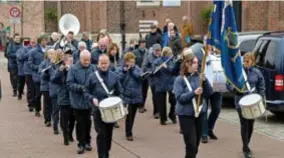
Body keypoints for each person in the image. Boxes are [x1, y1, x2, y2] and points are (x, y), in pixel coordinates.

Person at [173, 52, 212, 158]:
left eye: (197, 63)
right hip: (185, 114)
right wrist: (193, 93)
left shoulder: (200, 77)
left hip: (200, 113)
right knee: (191, 143)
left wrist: (205, 82)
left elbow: (208, 93)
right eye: (194, 63)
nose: (196, 65)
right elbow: (180, 98)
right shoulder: (179, 80)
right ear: (187, 64)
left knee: (196, 144)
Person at [226, 52, 265, 158]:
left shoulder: (257, 72)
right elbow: (228, 84)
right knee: (244, 124)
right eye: (244, 61)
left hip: (252, 102)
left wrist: (261, 98)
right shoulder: (238, 72)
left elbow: (261, 85)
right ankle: (246, 147)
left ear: (253, 61)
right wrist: (236, 90)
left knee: (251, 124)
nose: (245, 63)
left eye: (247, 61)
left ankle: (246, 143)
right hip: (241, 102)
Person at [85, 54, 123, 158]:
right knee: (101, 134)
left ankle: (106, 152)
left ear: (109, 64)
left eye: (105, 63)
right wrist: (92, 98)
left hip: (111, 110)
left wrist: (119, 101)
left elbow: (120, 92)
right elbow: (86, 91)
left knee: (109, 134)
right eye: (102, 63)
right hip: (98, 110)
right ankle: (102, 155)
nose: (104, 65)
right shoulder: (92, 77)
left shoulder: (114, 76)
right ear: (98, 64)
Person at [66, 49, 94, 154]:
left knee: (88, 122)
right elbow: (69, 84)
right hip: (77, 101)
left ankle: (87, 141)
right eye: (85, 60)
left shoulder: (93, 68)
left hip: (88, 101)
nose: (87, 62)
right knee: (79, 123)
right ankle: (80, 143)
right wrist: (81, 88)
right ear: (80, 59)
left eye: (88, 60)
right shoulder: (73, 69)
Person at [115, 52, 142, 141]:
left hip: (135, 95)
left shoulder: (137, 68)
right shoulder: (121, 69)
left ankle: (129, 131)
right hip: (126, 95)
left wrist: (132, 70)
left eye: (133, 62)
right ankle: (128, 132)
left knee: (132, 115)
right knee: (128, 114)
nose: (132, 64)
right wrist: (124, 71)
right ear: (126, 62)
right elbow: (118, 79)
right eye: (130, 62)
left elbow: (140, 77)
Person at [50, 50, 75, 146]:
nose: (69, 59)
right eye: (67, 58)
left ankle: (70, 133)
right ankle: (65, 137)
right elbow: (53, 79)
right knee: (64, 118)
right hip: (63, 96)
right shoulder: (59, 67)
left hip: (73, 97)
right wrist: (60, 70)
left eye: (70, 57)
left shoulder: (75, 67)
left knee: (72, 118)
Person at [152, 47, 176, 125]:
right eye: (169, 54)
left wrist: (167, 67)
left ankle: (172, 115)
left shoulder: (172, 61)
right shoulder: (157, 61)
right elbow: (153, 72)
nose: (171, 55)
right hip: (161, 83)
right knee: (162, 103)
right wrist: (157, 69)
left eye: (171, 54)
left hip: (171, 83)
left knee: (174, 101)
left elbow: (173, 71)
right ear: (165, 54)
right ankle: (163, 119)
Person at [28, 35, 48, 117]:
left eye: (46, 40)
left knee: (47, 96)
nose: (45, 42)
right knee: (38, 94)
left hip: (47, 76)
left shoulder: (49, 50)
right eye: (43, 41)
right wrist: (38, 67)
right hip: (37, 76)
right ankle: (37, 109)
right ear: (40, 42)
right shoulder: (33, 51)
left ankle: (47, 113)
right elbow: (30, 63)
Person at [142, 44, 162, 119]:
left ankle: (161, 111)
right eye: (156, 51)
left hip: (161, 78)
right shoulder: (148, 57)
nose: (157, 52)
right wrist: (151, 71)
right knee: (155, 95)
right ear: (153, 50)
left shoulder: (162, 56)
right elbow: (144, 67)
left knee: (161, 96)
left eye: (159, 50)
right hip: (152, 79)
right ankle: (156, 112)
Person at [18, 37, 37, 112]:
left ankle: (35, 103)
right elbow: (21, 57)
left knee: (36, 89)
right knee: (30, 88)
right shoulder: (25, 49)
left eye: (34, 43)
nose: (33, 44)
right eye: (32, 43)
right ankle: (30, 104)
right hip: (28, 72)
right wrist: (29, 52)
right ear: (30, 43)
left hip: (36, 72)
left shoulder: (38, 50)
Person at [39, 49, 54, 127]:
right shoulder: (43, 63)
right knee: (47, 104)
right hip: (46, 87)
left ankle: (54, 119)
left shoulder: (56, 63)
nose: (52, 55)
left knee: (54, 104)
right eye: (50, 54)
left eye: (53, 54)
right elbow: (41, 75)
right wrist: (46, 72)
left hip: (55, 87)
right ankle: (47, 120)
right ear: (47, 55)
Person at [133, 38, 148, 113]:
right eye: (142, 43)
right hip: (138, 74)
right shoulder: (135, 52)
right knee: (139, 90)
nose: (143, 44)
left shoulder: (147, 52)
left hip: (146, 74)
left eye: (144, 43)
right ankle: (140, 106)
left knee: (145, 90)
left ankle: (143, 105)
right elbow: (133, 63)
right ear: (139, 44)